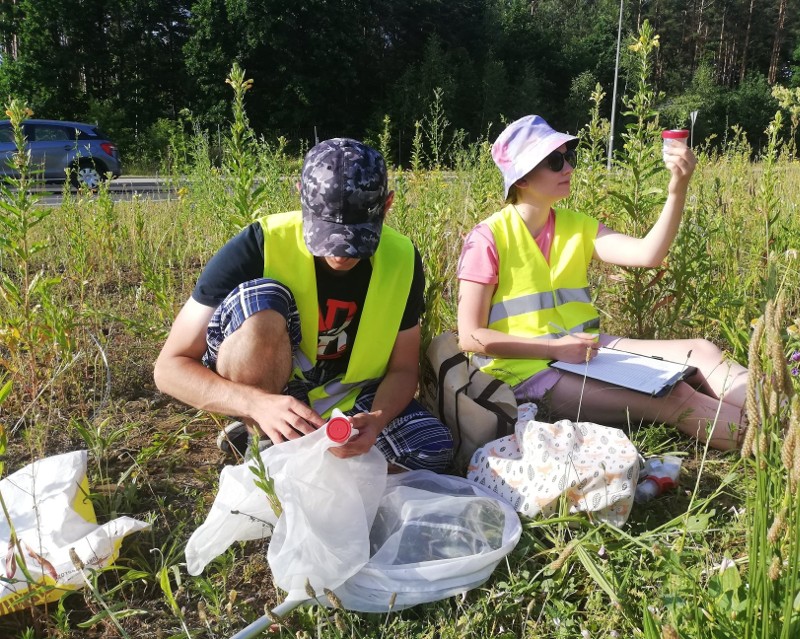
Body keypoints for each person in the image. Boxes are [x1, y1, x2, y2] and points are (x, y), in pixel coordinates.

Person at [154, 138, 453, 471]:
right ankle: (262, 437)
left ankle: (307, 455)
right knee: (260, 301)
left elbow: (403, 368)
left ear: (387, 206)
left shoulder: (402, 259)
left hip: (352, 398)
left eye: (357, 237)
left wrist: (376, 421)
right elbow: (169, 368)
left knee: (433, 450)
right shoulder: (260, 244)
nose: (340, 252)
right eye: (327, 233)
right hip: (272, 392)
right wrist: (257, 403)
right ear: (301, 196)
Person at [456, 114, 749, 450]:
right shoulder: (487, 239)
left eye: (569, 157)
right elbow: (471, 337)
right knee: (675, 397)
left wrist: (676, 188)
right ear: (521, 178)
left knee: (701, 351)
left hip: (585, 351)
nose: (568, 168)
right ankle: (786, 446)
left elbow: (647, 254)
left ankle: (799, 416)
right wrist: (555, 349)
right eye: (554, 161)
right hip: (523, 373)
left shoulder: (575, 225)